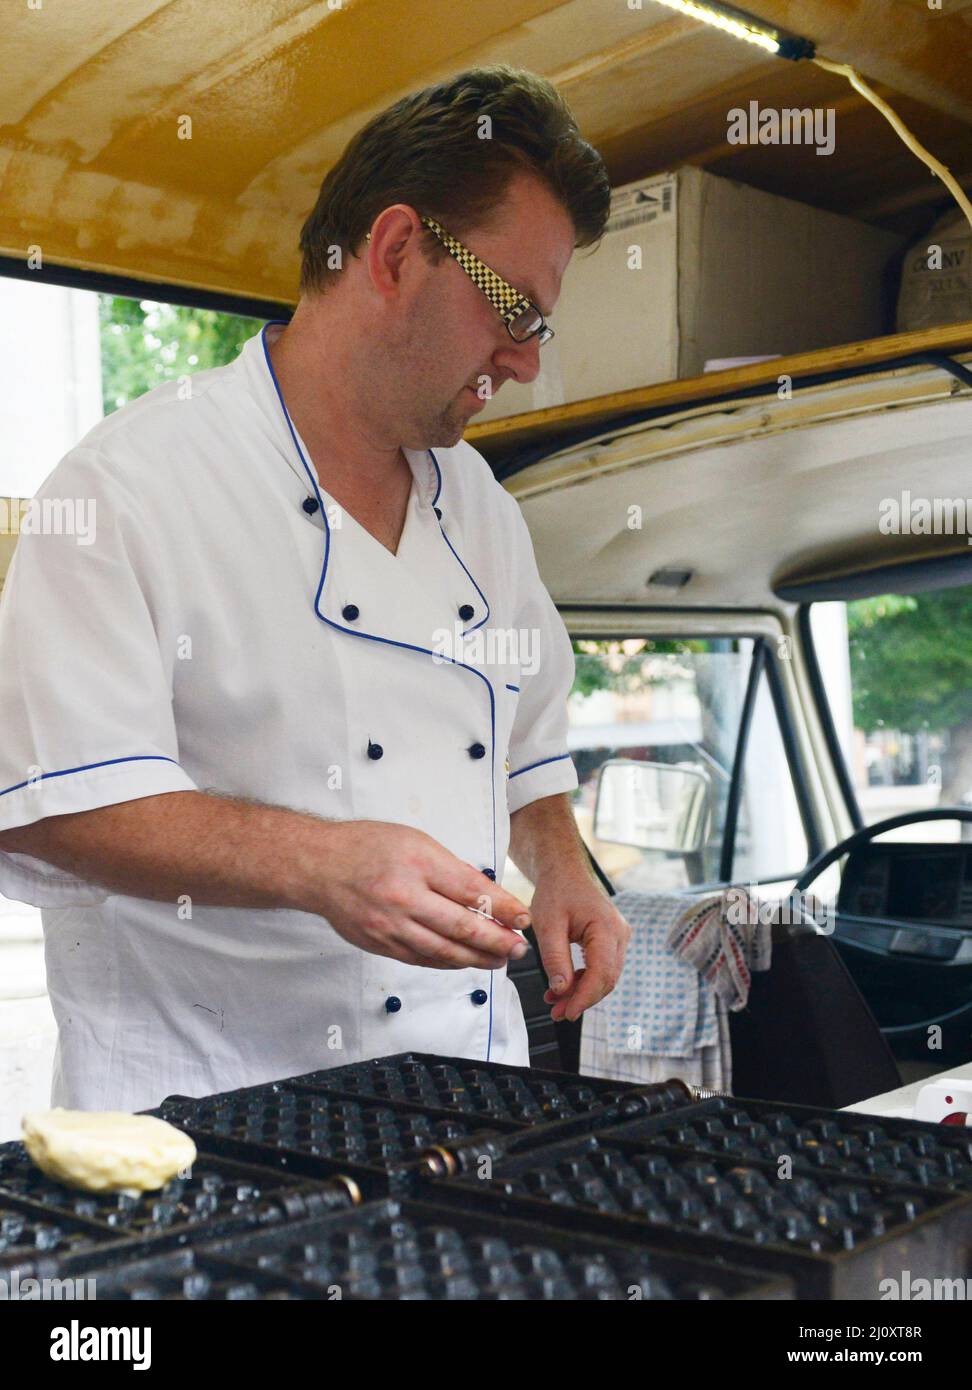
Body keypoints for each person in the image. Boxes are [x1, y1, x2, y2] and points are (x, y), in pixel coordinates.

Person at [0, 66, 630, 1112]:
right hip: (216, 1130)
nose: (523, 361)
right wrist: (320, 863)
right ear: (393, 252)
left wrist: (564, 869)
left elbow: (525, 740)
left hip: (469, 1108)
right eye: (512, 307)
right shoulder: (131, 487)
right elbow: (45, 803)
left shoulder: (478, 506)